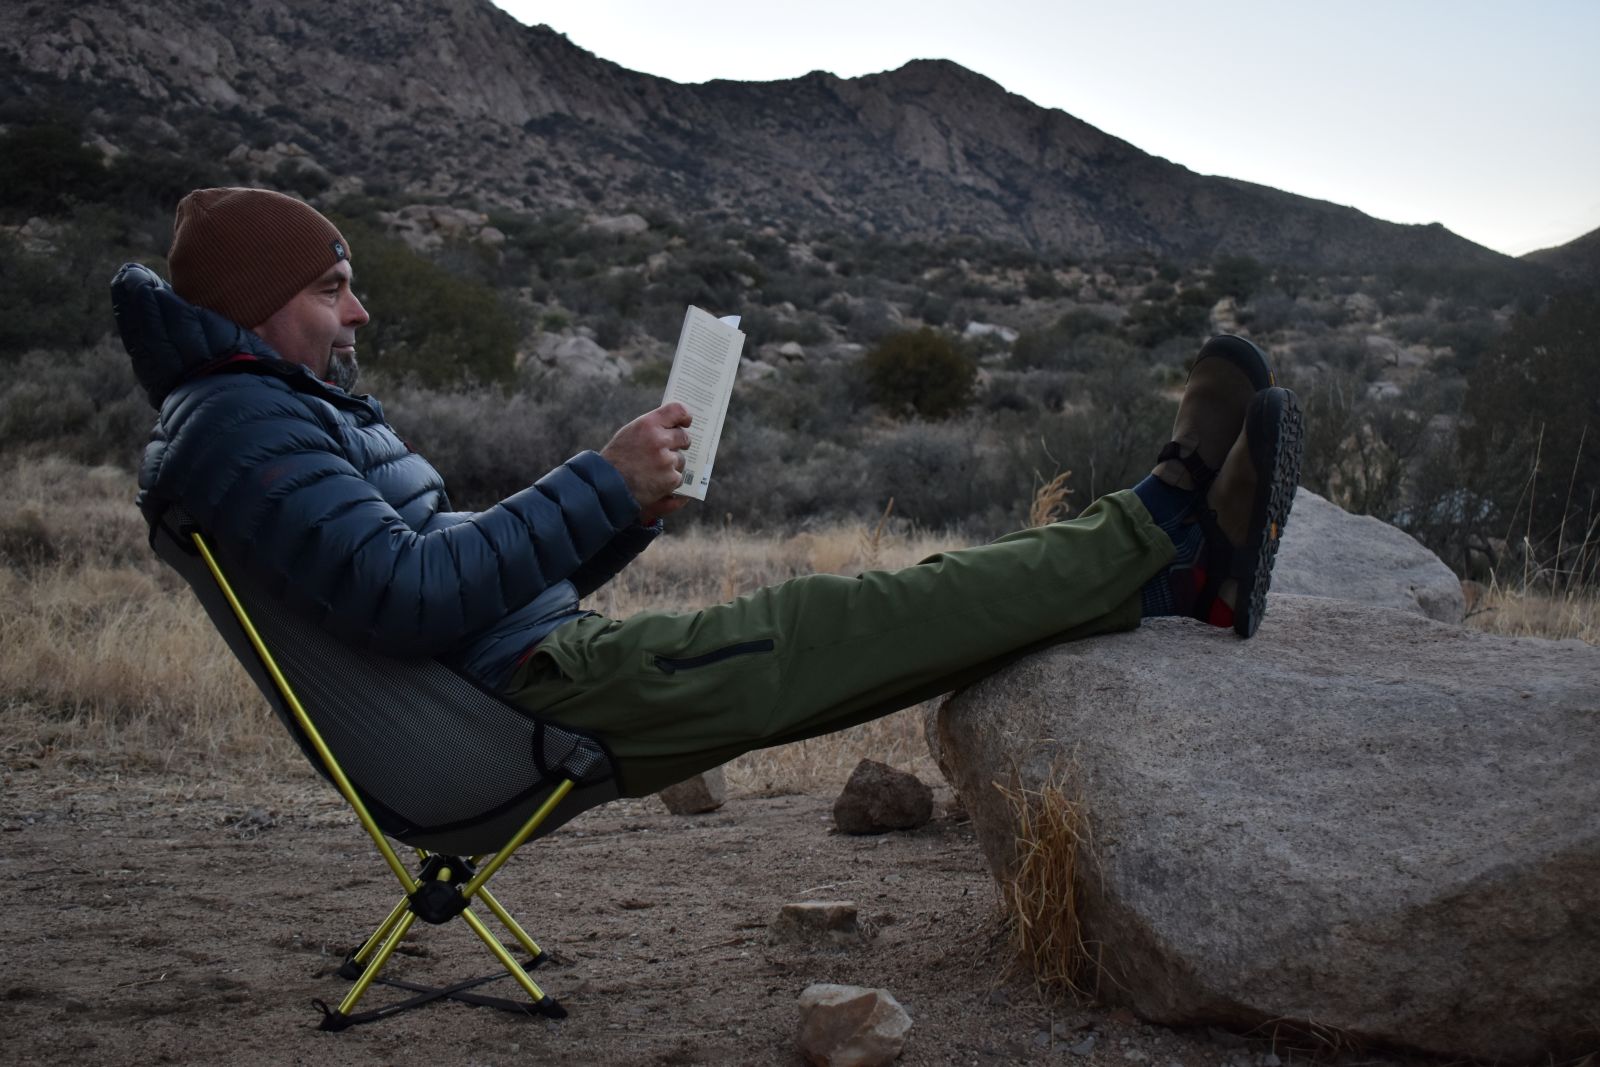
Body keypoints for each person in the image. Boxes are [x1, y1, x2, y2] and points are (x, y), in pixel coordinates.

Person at [114, 188, 1302, 798]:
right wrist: (595, 477)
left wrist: (620, 509)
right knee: (860, 615)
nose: (358, 311)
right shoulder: (243, 425)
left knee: (867, 607)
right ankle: (1165, 537)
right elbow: (414, 594)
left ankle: (1155, 552)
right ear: (255, 302)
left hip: (511, 678)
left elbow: (433, 580)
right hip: (518, 712)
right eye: (330, 287)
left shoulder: (256, 412)